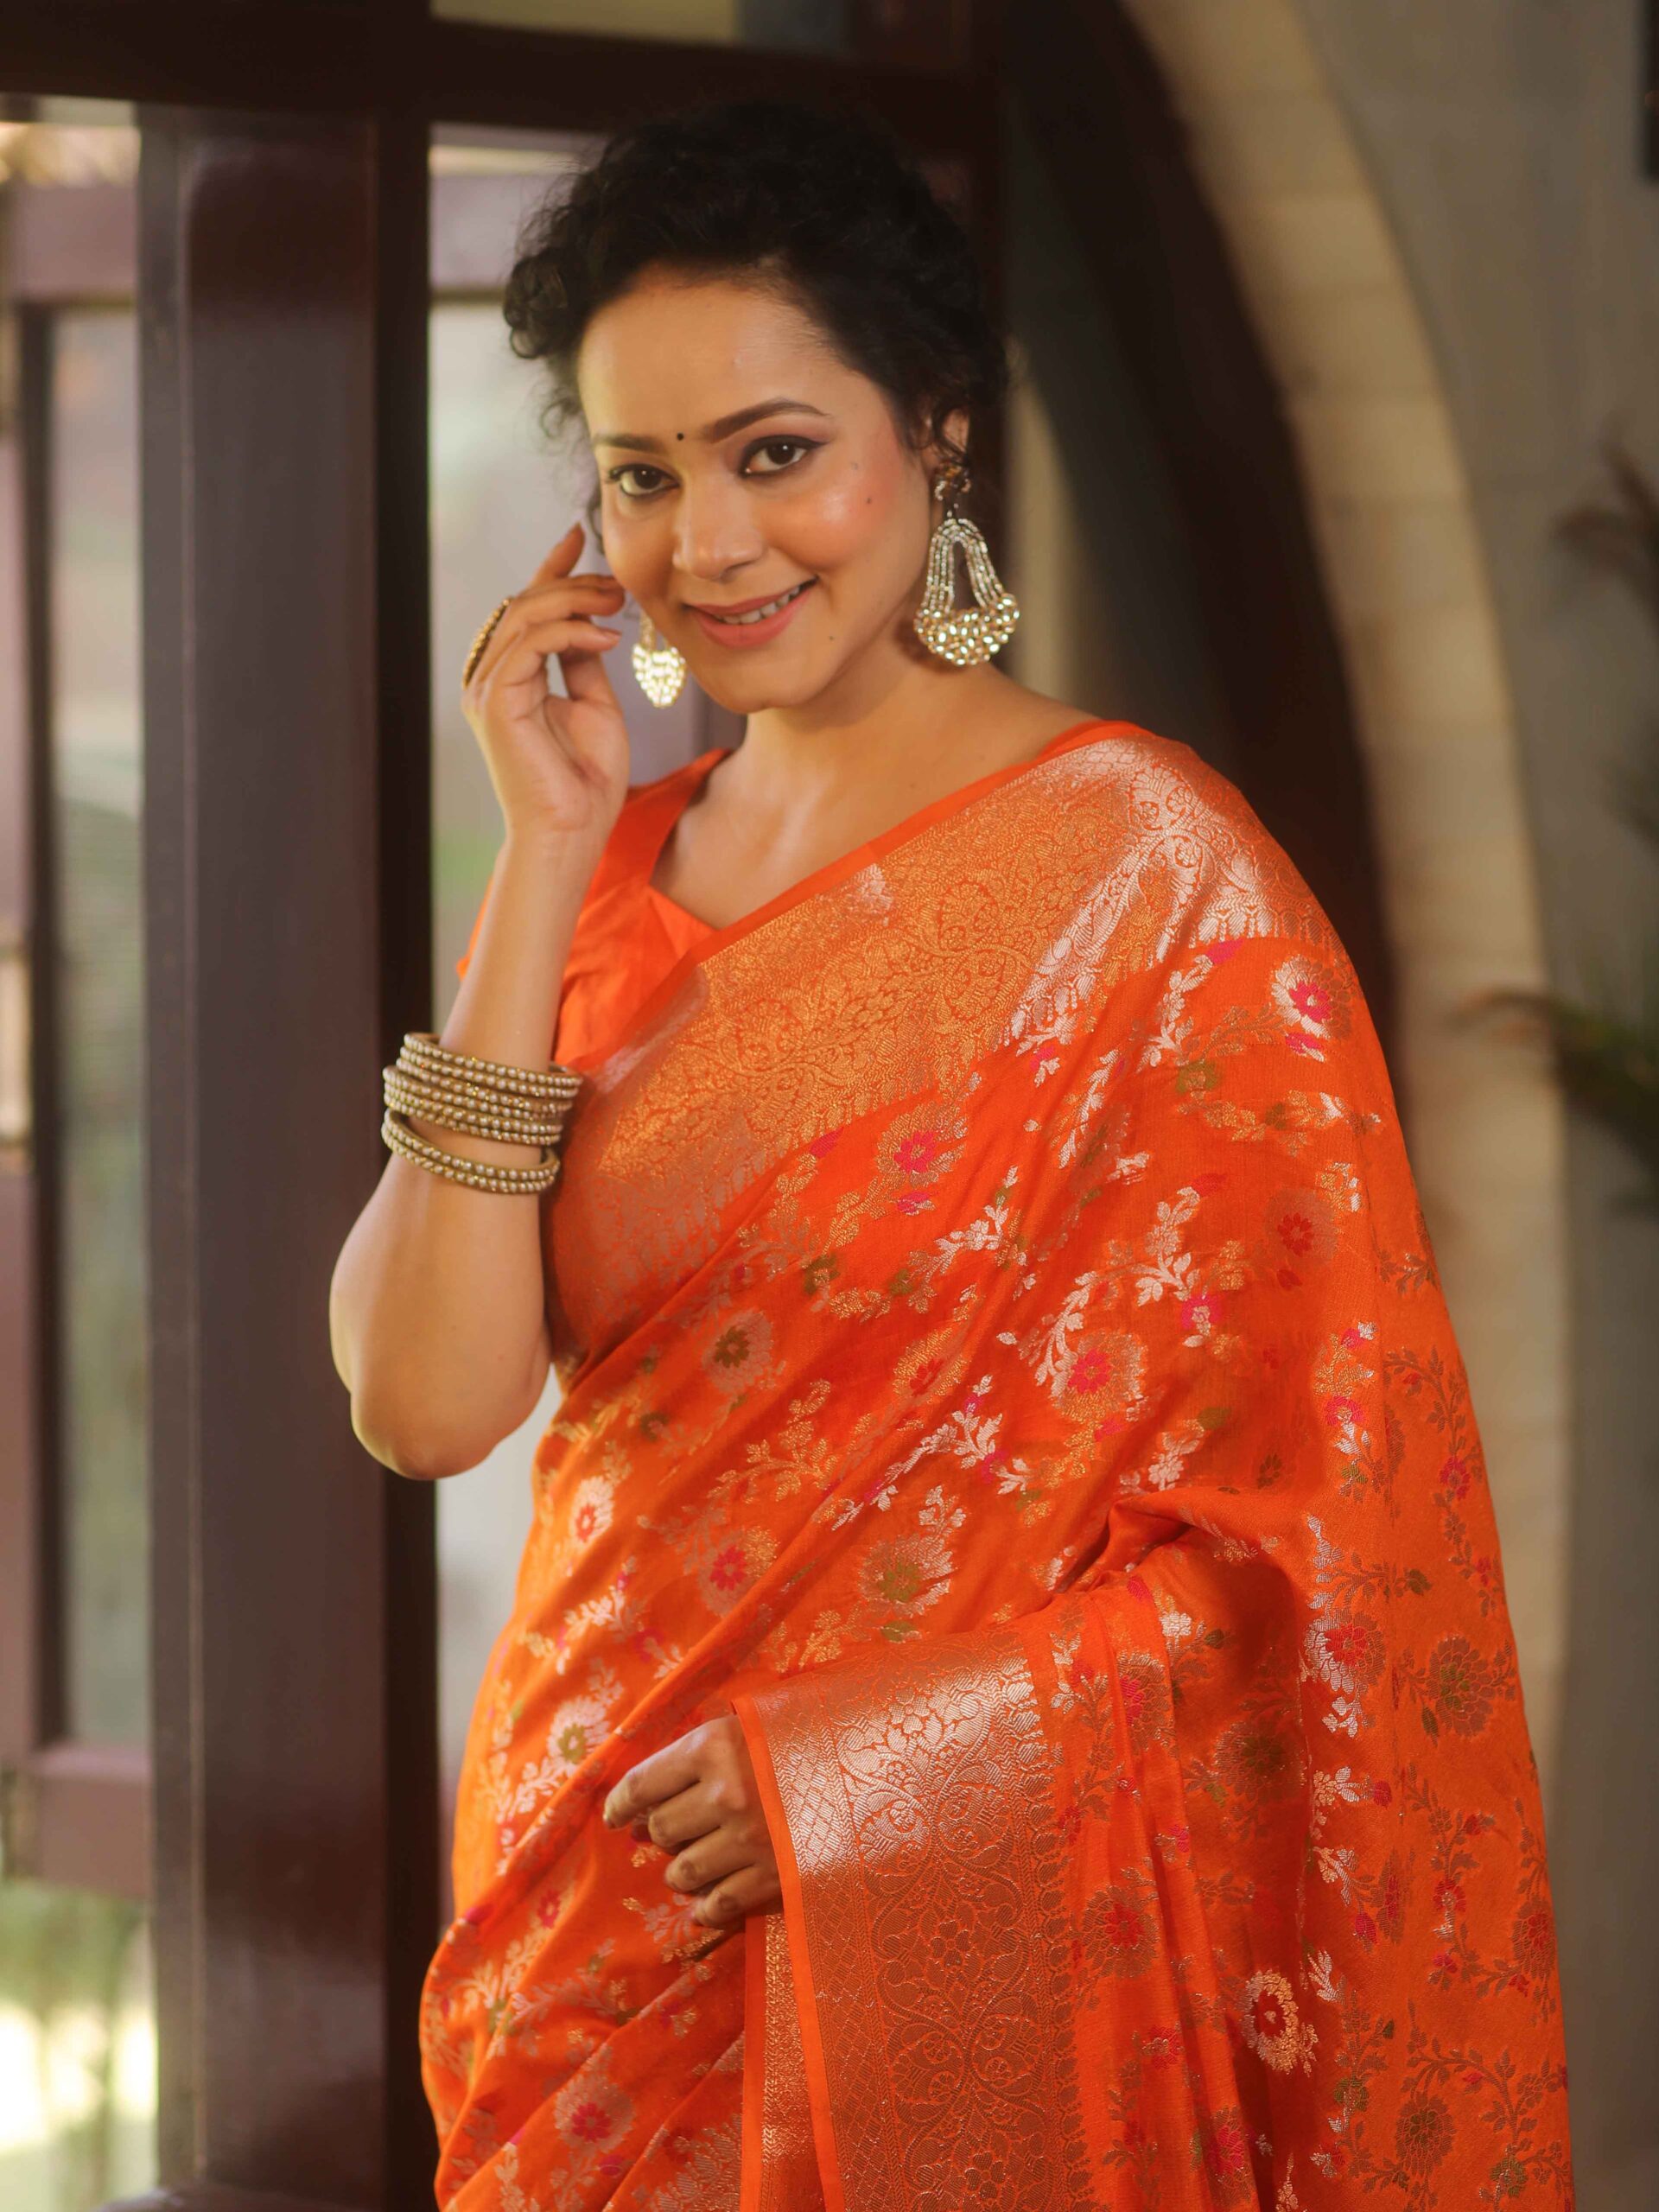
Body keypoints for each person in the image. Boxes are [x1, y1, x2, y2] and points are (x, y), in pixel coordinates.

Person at [327, 99, 1573, 2212]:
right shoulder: (607, 879)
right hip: (592, 1912)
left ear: (938, 434)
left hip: (940, 1930)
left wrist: (876, 1770)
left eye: (775, 452)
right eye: (643, 475)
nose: (710, 543)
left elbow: (1319, 1557)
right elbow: (425, 1401)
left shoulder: (1156, 883)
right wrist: (540, 852)